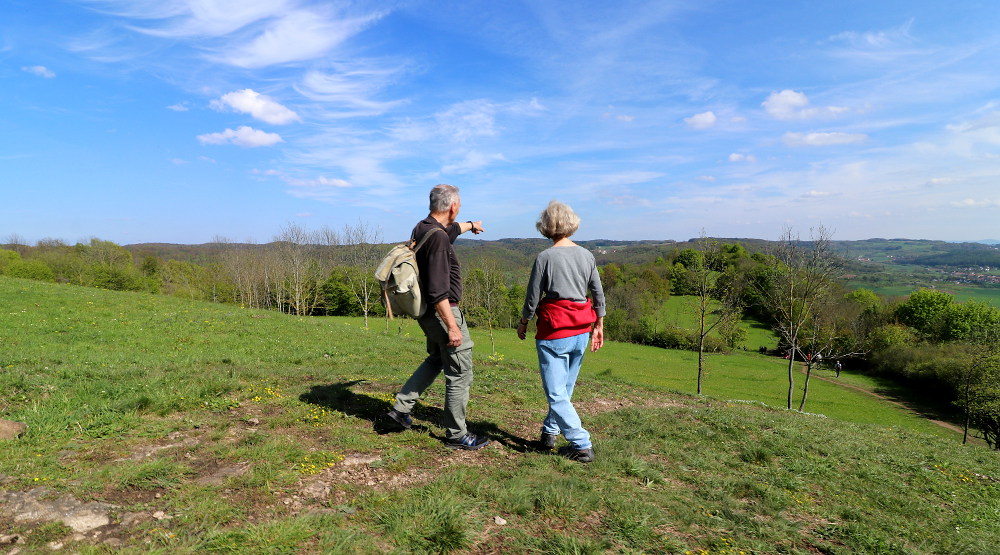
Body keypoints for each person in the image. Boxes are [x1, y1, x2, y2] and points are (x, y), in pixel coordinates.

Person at [386, 184, 491, 450]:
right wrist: (453, 327)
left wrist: (471, 225)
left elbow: (451, 230)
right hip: (443, 312)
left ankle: (401, 409)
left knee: (436, 359)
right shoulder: (438, 238)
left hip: (426, 314)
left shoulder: (424, 227)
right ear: (453, 206)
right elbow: (438, 292)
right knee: (459, 373)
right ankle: (457, 435)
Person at [517, 201, 605, 463]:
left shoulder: (545, 257)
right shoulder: (587, 255)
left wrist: (524, 321)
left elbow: (533, 297)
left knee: (556, 393)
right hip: (581, 330)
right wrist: (599, 325)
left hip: (555, 330)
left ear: (545, 226)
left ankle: (581, 443)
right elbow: (598, 293)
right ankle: (550, 431)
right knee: (564, 390)